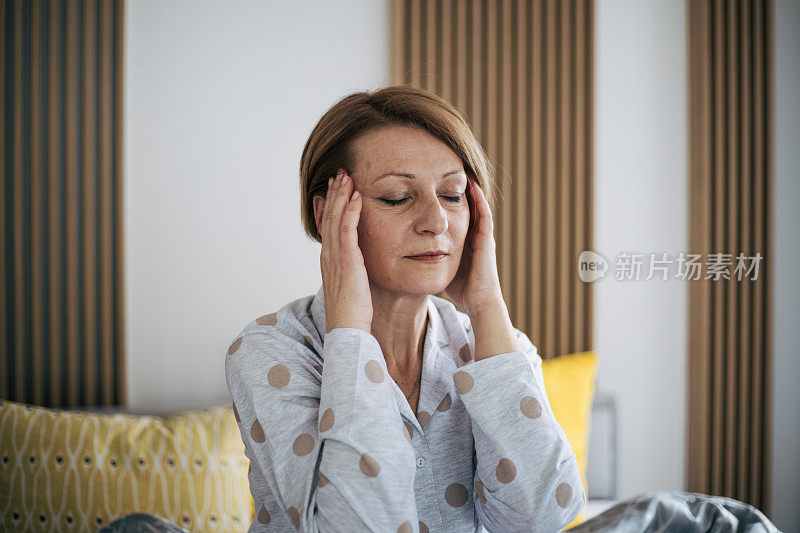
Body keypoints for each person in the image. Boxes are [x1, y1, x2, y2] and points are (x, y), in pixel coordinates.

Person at [225, 86, 585, 532]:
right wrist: (351, 335)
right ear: (328, 215)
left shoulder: (496, 349)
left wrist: (488, 305)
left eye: (453, 195)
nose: (436, 221)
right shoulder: (269, 351)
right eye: (397, 197)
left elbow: (544, 517)